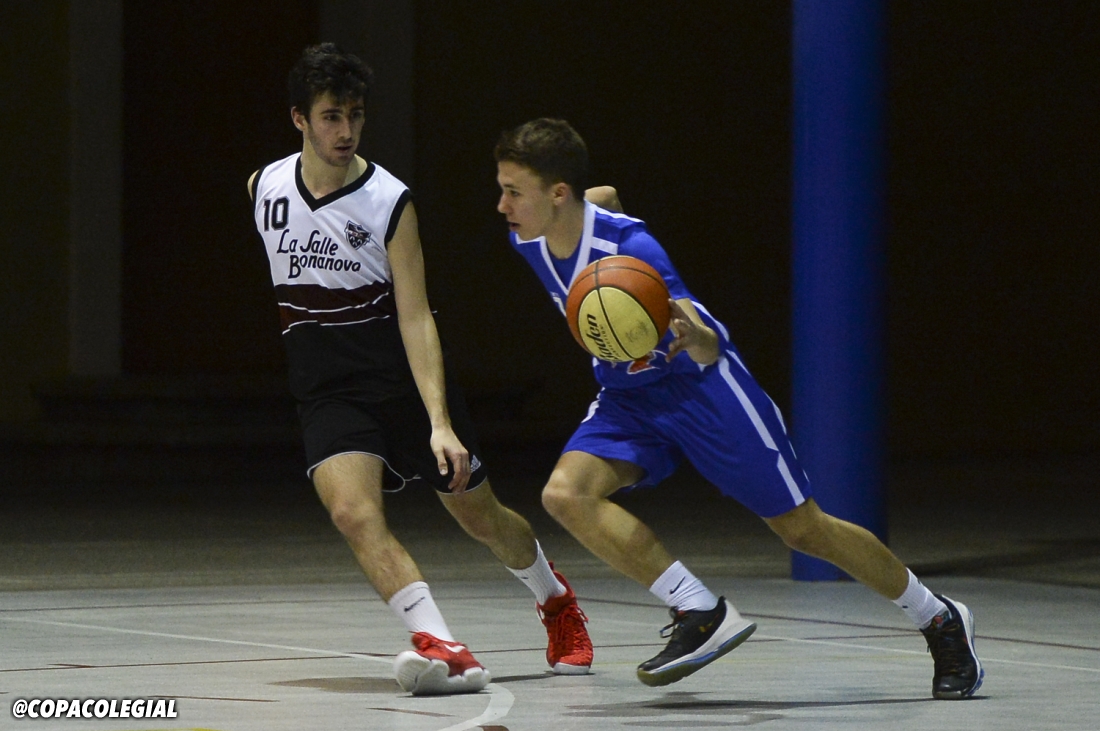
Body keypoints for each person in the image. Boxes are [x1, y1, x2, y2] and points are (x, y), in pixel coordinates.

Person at [493, 117, 983, 699]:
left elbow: (706, 340)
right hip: (630, 398)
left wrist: (693, 337)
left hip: (704, 392)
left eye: (513, 191)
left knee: (804, 530)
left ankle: (938, 617)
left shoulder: (635, 250)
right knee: (566, 494)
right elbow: (601, 196)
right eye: (501, 189)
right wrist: (600, 201)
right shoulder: (531, 235)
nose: (502, 205)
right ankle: (698, 609)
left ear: (557, 193)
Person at [247, 46, 592, 696]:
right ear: (299, 118)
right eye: (331, 116)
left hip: (403, 380)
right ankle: (441, 643)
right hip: (328, 390)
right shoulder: (263, 188)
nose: (346, 130)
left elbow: (415, 316)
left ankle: (554, 598)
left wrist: (439, 422)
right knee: (352, 512)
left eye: (355, 115)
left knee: (481, 516)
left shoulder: (388, 201)